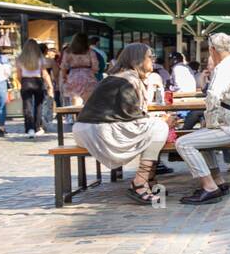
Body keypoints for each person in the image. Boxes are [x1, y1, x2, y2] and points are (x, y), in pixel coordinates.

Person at [72, 43, 178, 204]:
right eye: (150, 57)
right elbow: (134, 117)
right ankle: (140, 183)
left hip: (84, 130)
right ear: (138, 60)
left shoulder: (117, 77)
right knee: (159, 128)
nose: (153, 61)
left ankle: (148, 179)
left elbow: (126, 113)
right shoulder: (130, 80)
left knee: (155, 127)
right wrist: (164, 121)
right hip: (99, 132)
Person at [174, 33, 230, 204]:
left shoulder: (224, 68)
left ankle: (210, 187)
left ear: (212, 50)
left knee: (183, 143)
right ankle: (218, 182)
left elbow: (212, 97)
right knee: (201, 140)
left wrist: (210, 123)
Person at [15, 38, 54, 138]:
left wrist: (22, 82)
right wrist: (50, 86)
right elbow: (44, 74)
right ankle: (37, 127)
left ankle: (29, 129)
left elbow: (18, 75)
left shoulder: (20, 59)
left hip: (26, 81)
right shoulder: (40, 58)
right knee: (38, 105)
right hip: (38, 81)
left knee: (27, 106)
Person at [60, 33, 99, 105]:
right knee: (88, 103)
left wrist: (64, 78)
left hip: (73, 77)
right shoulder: (90, 52)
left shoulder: (68, 52)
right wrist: (91, 73)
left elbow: (63, 66)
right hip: (88, 77)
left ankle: (76, 115)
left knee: (75, 103)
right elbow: (95, 67)